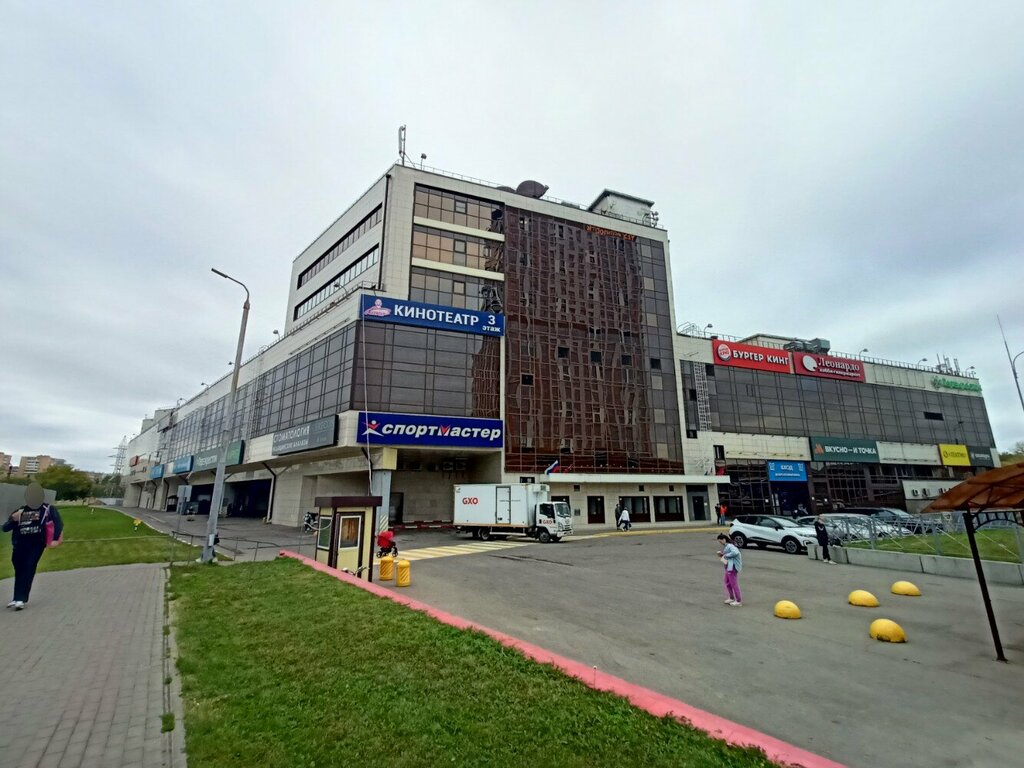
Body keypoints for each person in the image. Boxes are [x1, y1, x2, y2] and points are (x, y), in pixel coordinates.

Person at [3, 483, 63, 610]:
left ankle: (21, 599)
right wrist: (13, 519)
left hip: (36, 545)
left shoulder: (47, 509)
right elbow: (5, 528)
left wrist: (55, 540)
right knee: (19, 570)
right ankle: (16, 598)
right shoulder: (21, 510)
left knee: (28, 568)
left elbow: (58, 524)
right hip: (19, 545)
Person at [716, 533, 742, 606]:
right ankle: (731, 597)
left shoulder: (730, 546)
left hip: (732, 567)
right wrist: (722, 554)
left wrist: (725, 555)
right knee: (727, 582)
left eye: (720, 541)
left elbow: (735, 552)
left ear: (724, 539)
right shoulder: (727, 546)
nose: (720, 543)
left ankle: (738, 600)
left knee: (734, 583)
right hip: (729, 567)